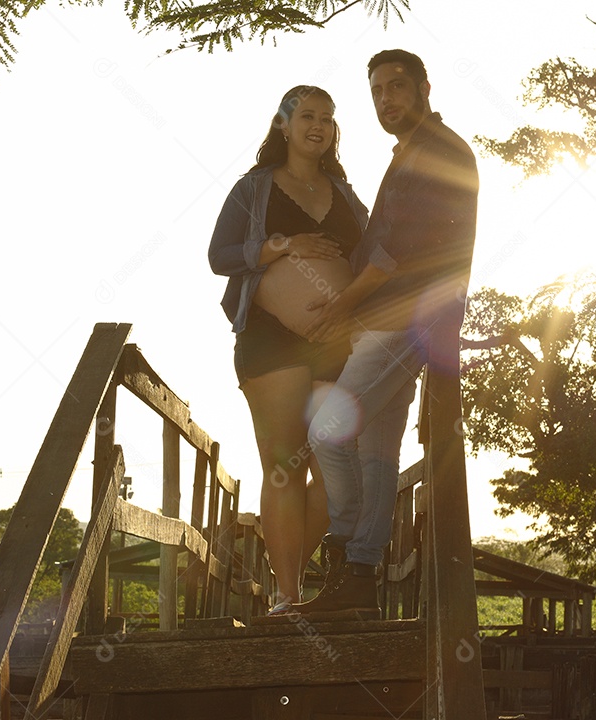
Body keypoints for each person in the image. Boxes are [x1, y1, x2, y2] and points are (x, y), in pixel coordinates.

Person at [291, 50, 479, 617]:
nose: (387, 99)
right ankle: (358, 583)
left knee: (326, 430)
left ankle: (346, 548)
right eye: (377, 91)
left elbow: (394, 255)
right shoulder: (413, 153)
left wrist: (341, 308)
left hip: (408, 320)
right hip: (399, 321)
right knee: (375, 453)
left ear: (424, 85)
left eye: (397, 86)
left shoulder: (436, 151)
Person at [208, 85, 369, 615]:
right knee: (283, 468)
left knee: (335, 467)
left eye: (327, 117)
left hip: (337, 347)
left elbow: (373, 257)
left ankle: (297, 576)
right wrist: (282, 245)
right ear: (283, 124)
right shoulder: (251, 189)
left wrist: (351, 308)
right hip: (270, 340)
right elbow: (219, 256)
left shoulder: (345, 194)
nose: (318, 125)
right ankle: (287, 595)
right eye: (306, 116)